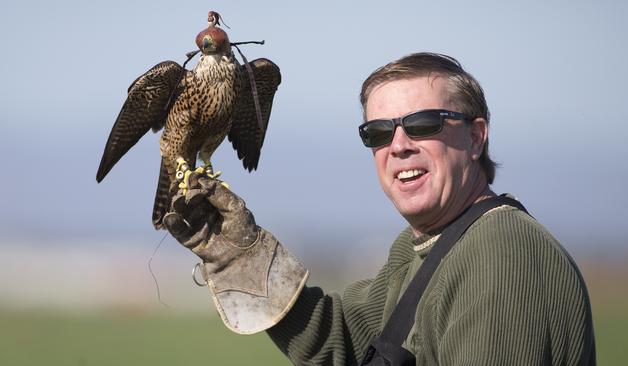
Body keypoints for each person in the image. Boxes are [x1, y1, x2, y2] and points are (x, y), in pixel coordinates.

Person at [163, 52, 596, 365]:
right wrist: (244, 255)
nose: (400, 146)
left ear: (476, 137)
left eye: (424, 124)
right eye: (378, 133)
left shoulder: (502, 254)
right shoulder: (420, 248)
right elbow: (345, 340)